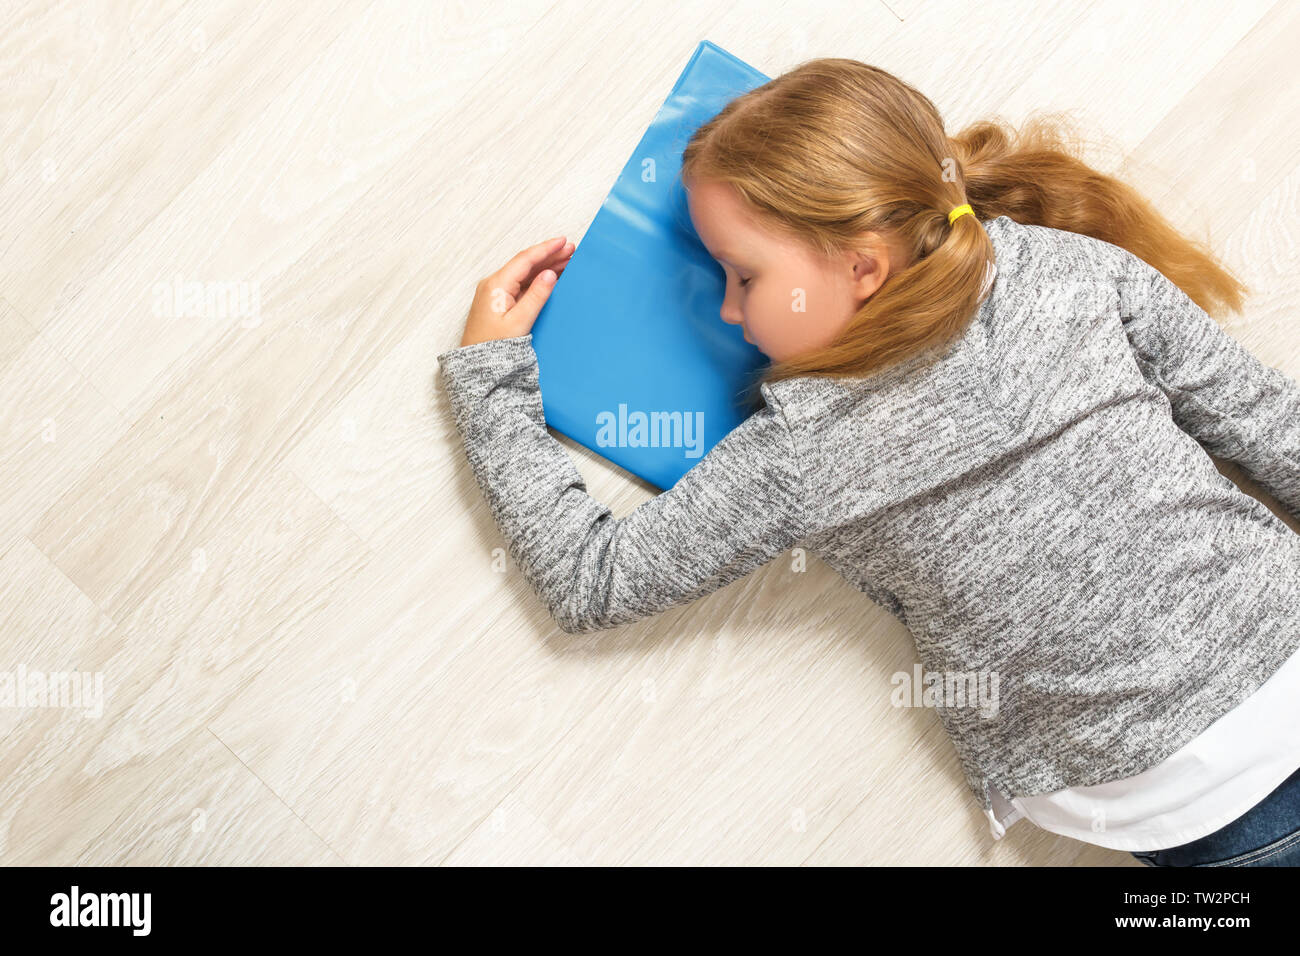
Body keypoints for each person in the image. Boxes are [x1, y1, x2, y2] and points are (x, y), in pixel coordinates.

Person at [437, 58, 1300, 866]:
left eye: (742, 276)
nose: (732, 312)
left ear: (860, 266)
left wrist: (489, 378)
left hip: (1186, 802)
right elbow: (1270, 426)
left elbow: (592, 581)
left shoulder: (803, 450)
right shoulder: (1074, 271)